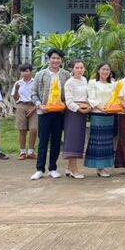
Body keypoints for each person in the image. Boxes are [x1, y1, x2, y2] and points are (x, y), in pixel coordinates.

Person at [31, 49, 70, 180]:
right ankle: (39, 169)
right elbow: (34, 93)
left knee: (56, 141)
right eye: (53, 58)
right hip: (44, 112)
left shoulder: (66, 75)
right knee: (43, 140)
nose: (55, 61)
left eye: (58, 58)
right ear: (48, 59)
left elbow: (69, 93)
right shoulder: (40, 74)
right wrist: (39, 105)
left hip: (59, 113)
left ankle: (53, 168)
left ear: (61, 60)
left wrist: (65, 104)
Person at [84, 63, 116, 177]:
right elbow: (91, 98)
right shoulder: (93, 83)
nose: (105, 72)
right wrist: (101, 108)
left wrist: (110, 107)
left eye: (107, 69)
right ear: (98, 70)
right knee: (98, 141)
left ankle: (105, 166)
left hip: (110, 115)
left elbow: (115, 98)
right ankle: (99, 167)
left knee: (107, 142)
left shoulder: (113, 84)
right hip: (98, 115)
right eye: (103, 69)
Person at [62, 59, 90, 179]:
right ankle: (74, 170)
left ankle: (69, 168)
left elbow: (87, 96)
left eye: (81, 68)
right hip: (73, 113)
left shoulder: (84, 80)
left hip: (83, 112)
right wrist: (79, 109)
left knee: (79, 139)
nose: (79, 70)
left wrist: (88, 106)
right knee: (72, 140)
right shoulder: (69, 82)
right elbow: (69, 101)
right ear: (72, 69)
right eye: (77, 68)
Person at [12, 63, 37, 160]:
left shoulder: (35, 82)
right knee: (22, 129)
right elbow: (15, 98)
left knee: (33, 129)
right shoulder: (18, 83)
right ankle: (22, 152)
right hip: (21, 105)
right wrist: (16, 90)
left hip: (34, 106)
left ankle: (31, 151)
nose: (24, 73)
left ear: (31, 72)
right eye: (22, 71)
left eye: (26, 71)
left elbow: (40, 96)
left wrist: (34, 109)